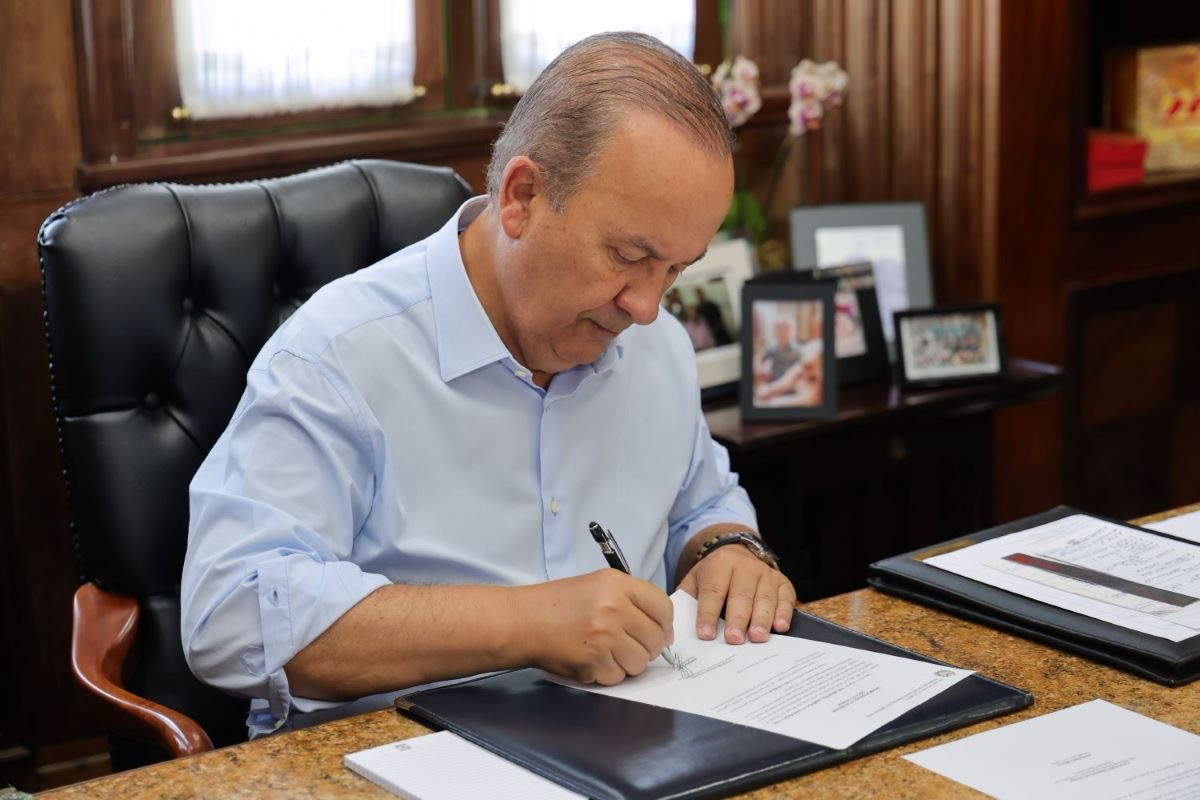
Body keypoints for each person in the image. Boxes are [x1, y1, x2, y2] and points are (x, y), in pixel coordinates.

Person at [181, 31, 796, 737]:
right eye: (629, 255)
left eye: (676, 270)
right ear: (521, 196)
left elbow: (702, 499)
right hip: (397, 755)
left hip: (619, 743)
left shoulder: (655, 345)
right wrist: (529, 623)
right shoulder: (339, 355)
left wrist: (725, 548)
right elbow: (229, 615)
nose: (647, 307)